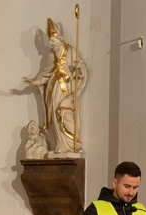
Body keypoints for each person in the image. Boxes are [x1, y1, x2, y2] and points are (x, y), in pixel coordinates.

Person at [23, 18, 87, 155]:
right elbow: (46, 73)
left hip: (67, 89)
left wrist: (78, 67)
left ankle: (71, 145)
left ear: (60, 39)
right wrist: (34, 81)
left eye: (52, 40)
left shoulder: (71, 51)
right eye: (50, 41)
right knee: (54, 117)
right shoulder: (51, 54)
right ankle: (61, 145)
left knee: (65, 113)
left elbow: (81, 71)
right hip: (53, 90)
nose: (51, 43)